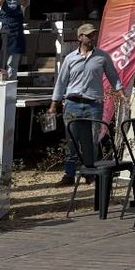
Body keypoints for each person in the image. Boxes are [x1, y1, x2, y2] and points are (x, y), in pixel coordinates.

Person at [49, 22, 123, 187]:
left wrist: (121, 92)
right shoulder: (70, 58)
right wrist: (54, 104)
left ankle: (90, 172)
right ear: (80, 37)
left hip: (93, 104)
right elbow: (61, 82)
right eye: (88, 35)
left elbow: (113, 76)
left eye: (93, 34)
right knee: (72, 140)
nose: (92, 37)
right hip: (72, 103)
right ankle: (69, 174)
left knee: (93, 139)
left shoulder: (102, 56)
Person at [0, 0, 30, 79]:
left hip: (15, 30)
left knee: (12, 63)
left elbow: (24, 2)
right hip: (2, 28)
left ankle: (11, 85)